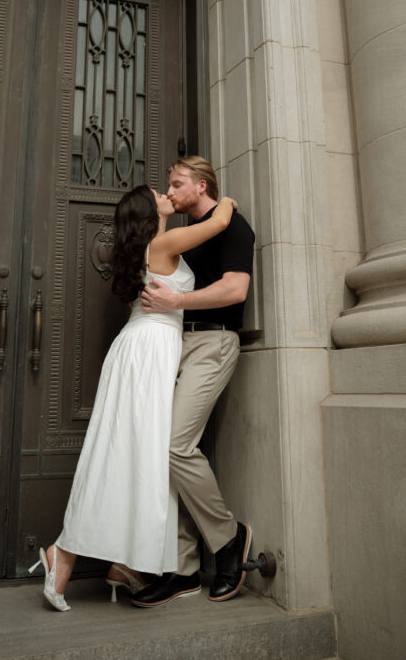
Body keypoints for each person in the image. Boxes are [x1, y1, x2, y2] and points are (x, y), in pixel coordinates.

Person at [30, 184, 237, 611]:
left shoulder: (145, 248)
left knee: (134, 456)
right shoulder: (163, 243)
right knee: (135, 455)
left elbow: (151, 282)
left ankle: (124, 564)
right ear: (149, 212)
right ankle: (63, 554)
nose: (166, 193)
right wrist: (227, 198)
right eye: (158, 193)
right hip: (149, 352)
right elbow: (219, 221)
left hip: (140, 349)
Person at [130, 156, 255, 608]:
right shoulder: (184, 236)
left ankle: (228, 540)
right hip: (176, 345)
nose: (172, 190)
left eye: (178, 183)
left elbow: (235, 290)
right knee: (164, 452)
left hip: (214, 345)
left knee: (174, 446)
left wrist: (178, 300)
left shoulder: (235, 228)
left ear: (202, 187)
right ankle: (182, 570)